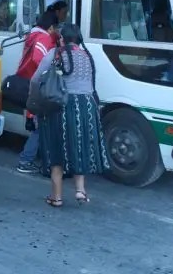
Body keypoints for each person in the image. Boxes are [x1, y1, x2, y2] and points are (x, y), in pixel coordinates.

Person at [34, 23, 109, 207]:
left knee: (57, 150)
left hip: (61, 107)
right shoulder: (87, 56)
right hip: (86, 108)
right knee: (79, 146)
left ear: (61, 38)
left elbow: (36, 79)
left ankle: (56, 197)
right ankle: (80, 191)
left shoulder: (56, 54)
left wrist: (33, 101)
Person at [15, 11, 60, 174]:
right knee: (39, 124)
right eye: (56, 27)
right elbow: (38, 59)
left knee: (38, 123)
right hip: (35, 84)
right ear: (50, 27)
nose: (57, 31)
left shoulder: (33, 35)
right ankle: (26, 160)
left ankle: (33, 159)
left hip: (29, 82)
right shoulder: (43, 38)